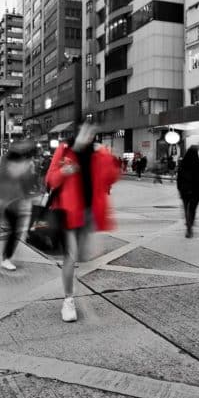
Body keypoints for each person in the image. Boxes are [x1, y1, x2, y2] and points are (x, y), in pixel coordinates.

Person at [45, 122, 119, 322]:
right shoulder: (65, 150)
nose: (89, 136)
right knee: (71, 256)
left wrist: (105, 155)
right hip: (68, 213)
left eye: (92, 132)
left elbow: (112, 177)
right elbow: (50, 180)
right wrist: (65, 172)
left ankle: (72, 290)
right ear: (77, 134)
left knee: (84, 257)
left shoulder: (97, 153)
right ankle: (68, 301)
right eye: (85, 132)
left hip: (88, 214)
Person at [0, 142, 36, 271]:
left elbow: (26, 184)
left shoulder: (10, 165)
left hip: (15, 202)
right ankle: (6, 258)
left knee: (15, 231)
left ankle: (7, 257)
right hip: (9, 203)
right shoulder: (11, 166)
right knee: (14, 231)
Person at [177, 146, 199, 238]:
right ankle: (190, 225)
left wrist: (179, 189)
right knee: (192, 209)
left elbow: (179, 178)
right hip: (196, 190)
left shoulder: (183, 164)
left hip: (185, 190)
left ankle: (188, 228)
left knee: (186, 208)